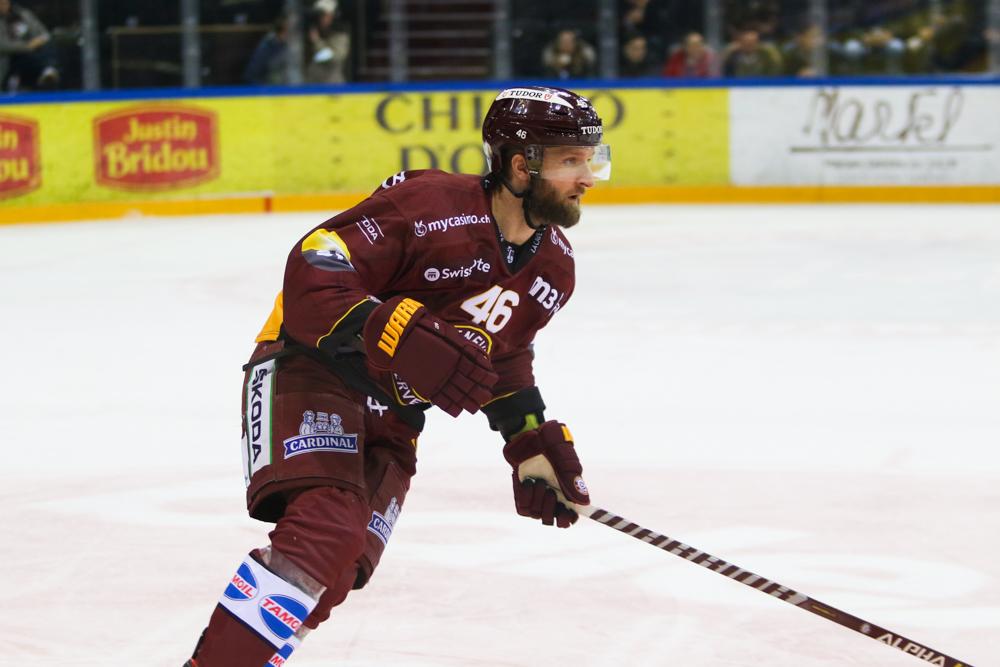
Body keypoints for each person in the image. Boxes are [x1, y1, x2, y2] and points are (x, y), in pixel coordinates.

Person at [183, 84, 610, 667]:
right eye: (571, 161)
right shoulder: (429, 204)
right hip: (312, 368)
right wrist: (384, 328)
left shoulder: (554, 267)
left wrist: (528, 437)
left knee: (341, 565)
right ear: (520, 165)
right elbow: (314, 262)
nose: (588, 177)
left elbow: (504, 356)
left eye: (592, 159)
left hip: (397, 411)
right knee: (326, 530)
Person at [0, 0, 59, 91]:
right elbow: (3, 45)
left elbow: (44, 34)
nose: (2, 6)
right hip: (9, 58)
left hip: (31, 55)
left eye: (4, 3)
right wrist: (27, 46)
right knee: (35, 56)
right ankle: (48, 70)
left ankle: (48, 72)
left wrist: (37, 42)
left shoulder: (23, 14)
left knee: (47, 47)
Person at [305, 0, 350, 84]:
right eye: (319, 16)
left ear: (332, 17)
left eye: (324, 15)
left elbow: (335, 58)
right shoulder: (315, 33)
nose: (321, 19)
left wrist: (317, 41)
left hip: (332, 86)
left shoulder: (340, 36)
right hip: (313, 85)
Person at [244, 14, 291, 85]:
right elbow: (252, 75)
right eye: (288, 31)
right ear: (282, 32)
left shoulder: (285, 45)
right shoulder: (268, 45)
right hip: (266, 87)